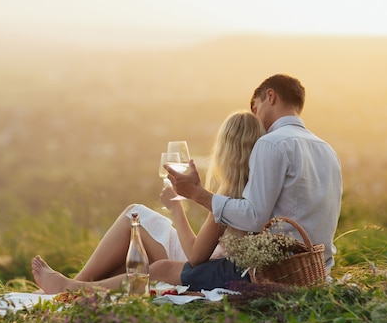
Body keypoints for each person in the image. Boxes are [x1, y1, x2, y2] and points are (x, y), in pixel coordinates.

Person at [31, 110, 266, 294]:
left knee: (133, 215)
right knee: (134, 227)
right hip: (214, 258)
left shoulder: (229, 195)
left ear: (224, 150)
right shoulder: (260, 187)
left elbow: (195, 256)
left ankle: (71, 288)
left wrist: (176, 208)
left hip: (202, 263)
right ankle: (71, 288)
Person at [166, 73, 343, 274]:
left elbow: (254, 217)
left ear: (271, 96)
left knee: (162, 269)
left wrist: (197, 193)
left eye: (255, 108)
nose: (255, 117)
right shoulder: (328, 150)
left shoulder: (271, 143)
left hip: (279, 270)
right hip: (317, 268)